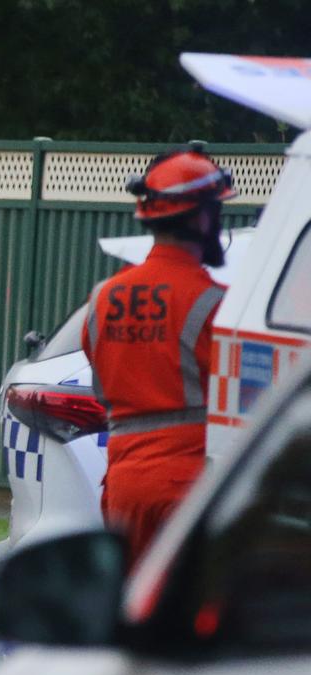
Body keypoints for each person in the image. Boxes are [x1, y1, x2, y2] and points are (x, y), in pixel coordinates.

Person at [82, 147, 232, 564]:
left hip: (123, 486)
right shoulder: (213, 303)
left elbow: (102, 377)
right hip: (187, 485)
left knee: (135, 616)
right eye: (216, 213)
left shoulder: (103, 298)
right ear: (201, 218)